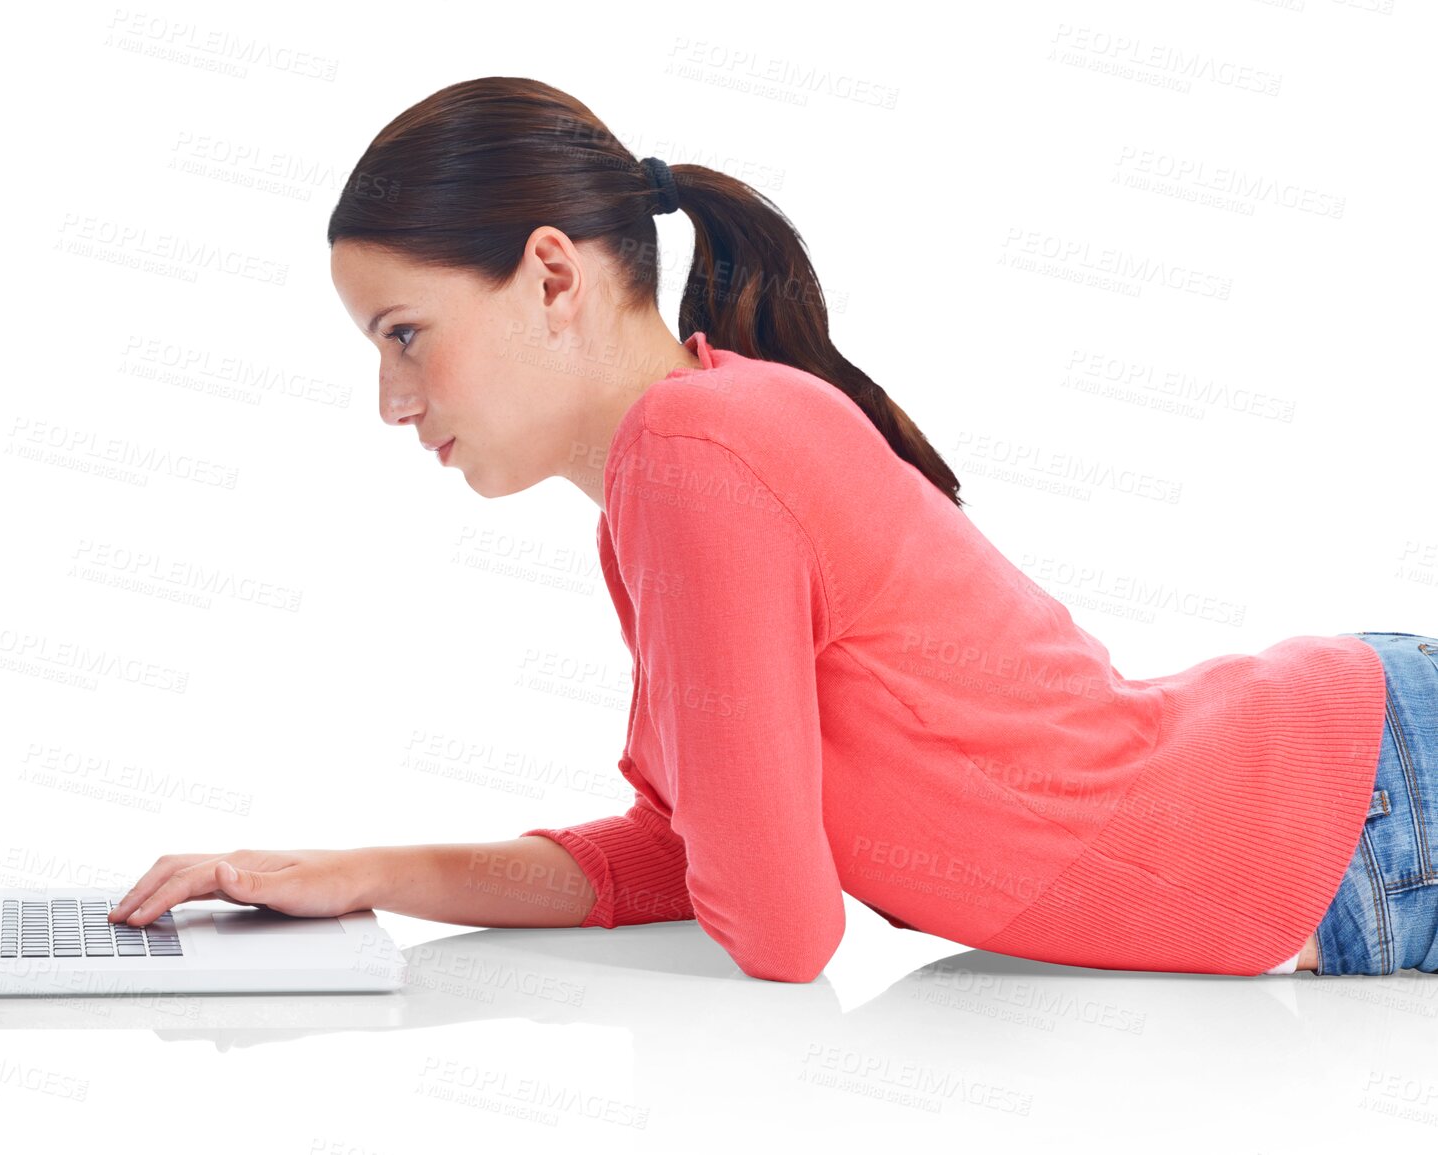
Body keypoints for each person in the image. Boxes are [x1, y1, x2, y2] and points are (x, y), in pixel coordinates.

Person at [109, 76, 1435, 982]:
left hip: (1369, 812)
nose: (392, 402)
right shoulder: (679, 465)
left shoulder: (697, 458)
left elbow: (783, 931)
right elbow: (680, 860)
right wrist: (350, 875)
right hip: (1354, 799)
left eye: (406, 336)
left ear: (553, 276)